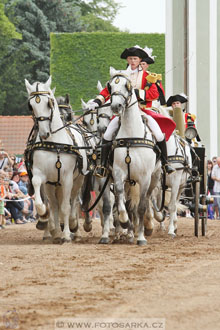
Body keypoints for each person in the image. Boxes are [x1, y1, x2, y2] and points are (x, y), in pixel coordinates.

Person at [87, 45, 176, 177]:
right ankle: (103, 166)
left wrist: (134, 93)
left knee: (158, 134)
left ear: (140, 60)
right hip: (123, 113)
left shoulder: (148, 76)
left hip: (143, 111)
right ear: (127, 60)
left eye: (135, 58)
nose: (133, 61)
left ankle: (165, 163)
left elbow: (154, 94)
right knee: (107, 135)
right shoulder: (120, 76)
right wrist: (96, 102)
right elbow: (107, 91)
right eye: (130, 58)